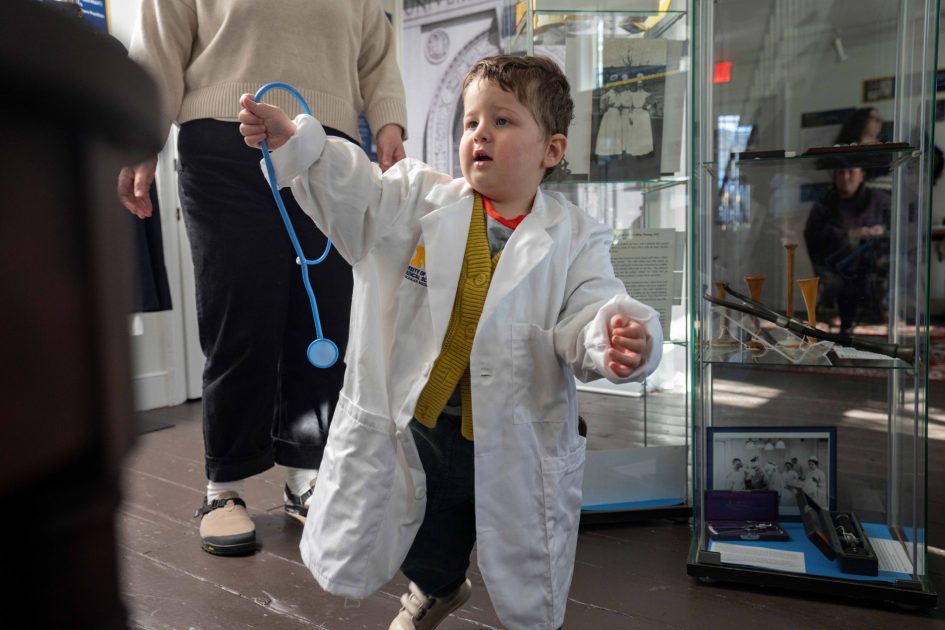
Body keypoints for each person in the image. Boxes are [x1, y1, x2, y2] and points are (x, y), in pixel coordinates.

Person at [238, 55, 662, 630]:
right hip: (421, 428)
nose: (479, 133)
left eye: (503, 121)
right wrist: (303, 145)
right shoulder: (415, 200)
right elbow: (358, 196)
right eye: (470, 122)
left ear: (552, 151)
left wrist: (614, 335)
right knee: (423, 530)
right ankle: (437, 589)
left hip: (512, 434)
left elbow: (590, 310)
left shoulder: (576, 240)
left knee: (516, 539)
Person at [117, 0, 408, 557]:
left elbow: (377, 47)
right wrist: (140, 138)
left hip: (328, 144)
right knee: (239, 313)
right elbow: (158, 42)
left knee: (321, 314)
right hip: (226, 143)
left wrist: (388, 122)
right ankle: (223, 487)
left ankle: (306, 472)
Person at [803, 167, 891, 335]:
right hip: (835, 266)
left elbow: (900, 227)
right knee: (846, 280)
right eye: (840, 172)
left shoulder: (880, 200)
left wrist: (883, 231)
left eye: (851, 171)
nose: (845, 177)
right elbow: (813, 234)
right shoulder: (825, 203)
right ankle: (847, 324)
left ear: (862, 174)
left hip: (876, 262)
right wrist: (849, 234)